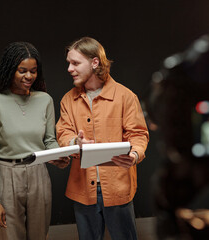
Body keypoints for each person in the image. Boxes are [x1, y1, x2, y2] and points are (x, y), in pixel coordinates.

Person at [56, 37, 149, 239]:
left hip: (118, 188)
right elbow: (63, 133)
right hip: (82, 189)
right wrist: (74, 143)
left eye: (75, 63)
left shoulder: (126, 97)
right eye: (68, 63)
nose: (69, 69)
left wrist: (134, 155)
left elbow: (139, 134)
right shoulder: (67, 100)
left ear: (95, 62)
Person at [0, 41, 69, 240]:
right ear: (10, 70)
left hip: (39, 174)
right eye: (22, 71)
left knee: (40, 236)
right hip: (7, 175)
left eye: (33, 71)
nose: (29, 76)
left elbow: (49, 141)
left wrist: (58, 156)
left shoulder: (45, 100)